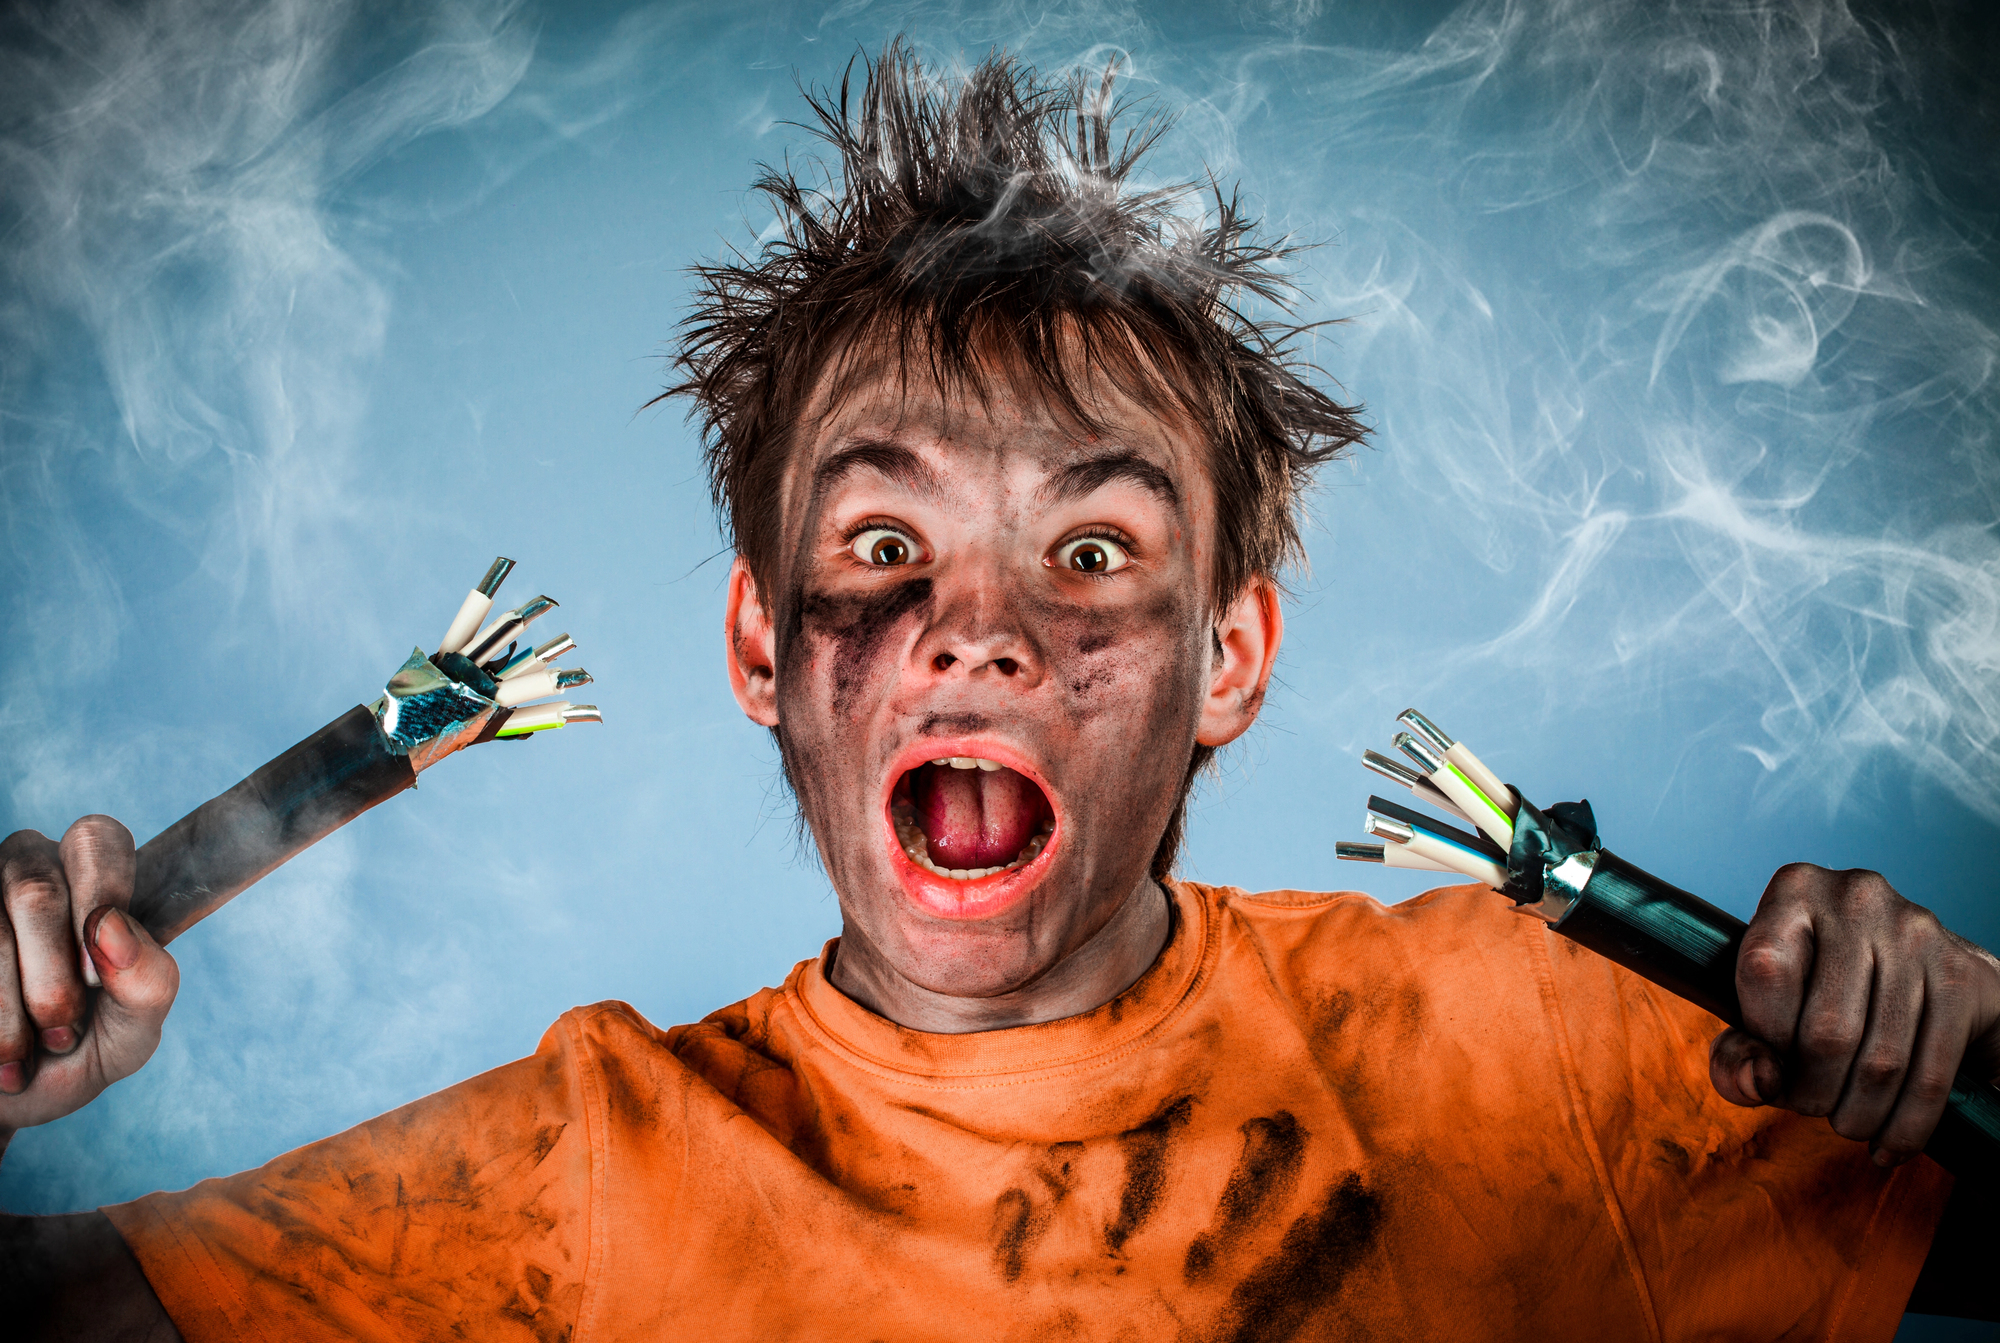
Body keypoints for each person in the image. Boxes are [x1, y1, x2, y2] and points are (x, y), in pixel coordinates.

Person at [3, 43, 1996, 1342]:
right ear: (762, 657)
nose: (980, 632)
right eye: (882, 554)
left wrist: (1937, 1047)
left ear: (1229, 660)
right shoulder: (574, 1174)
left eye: (1095, 555)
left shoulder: (1529, 1054)